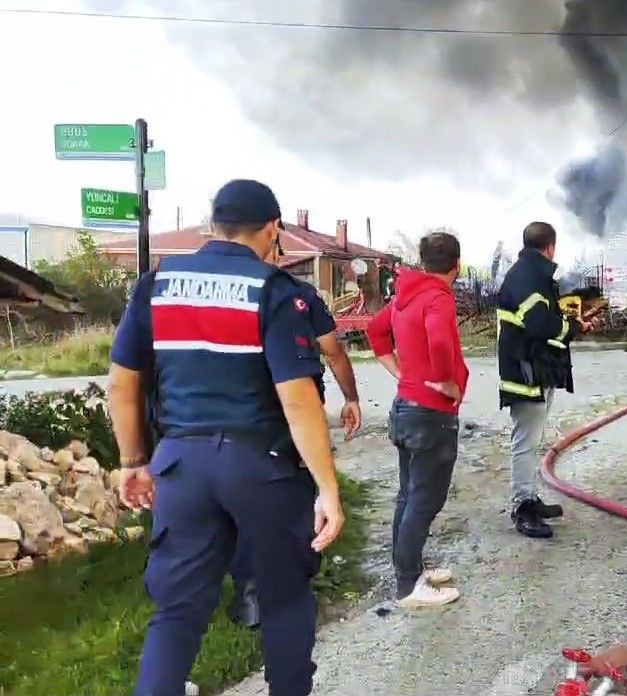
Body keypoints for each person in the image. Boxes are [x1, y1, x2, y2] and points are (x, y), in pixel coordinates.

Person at [106, 179, 345, 696]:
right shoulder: (275, 290)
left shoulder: (156, 284)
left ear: (213, 224)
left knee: (178, 612)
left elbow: (123, 382)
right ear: (272, 230)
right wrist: (328, 489)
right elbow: (298, 398)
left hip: (181, 468)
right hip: (261, 467)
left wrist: (132, 461)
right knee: (284, 599)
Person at [226, 233, 363, 629]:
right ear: (274, 247)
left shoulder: (225, 296)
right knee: (297, 497)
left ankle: (250, 592)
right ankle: (289, 588)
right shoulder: (295, 295)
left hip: (242, 418)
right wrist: (351, 398)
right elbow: (333, 350)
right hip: (291, 416)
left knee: (244, 505)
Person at [367, 231, 468, 607]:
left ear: (424, 262)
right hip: (430, 415)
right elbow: (440, 341)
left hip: (406, 407)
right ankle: (409, 587)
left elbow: (375, 330)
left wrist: (398, 371)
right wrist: (446, 383)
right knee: (424, 500)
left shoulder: (406, 296)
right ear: (456, 266)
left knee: (409, 496)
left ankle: (408, 569)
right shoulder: (437, 298)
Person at [496, 221, 593, 539]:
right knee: (525, 443)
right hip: (526, 374)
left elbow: (540, 320)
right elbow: (539, 324)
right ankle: (522, 508)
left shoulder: (529, 274)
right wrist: (573, 328)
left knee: (531, 440)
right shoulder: (530, 276)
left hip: (534, 370)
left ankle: (528, 497)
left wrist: (569, 323)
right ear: (550, 246)